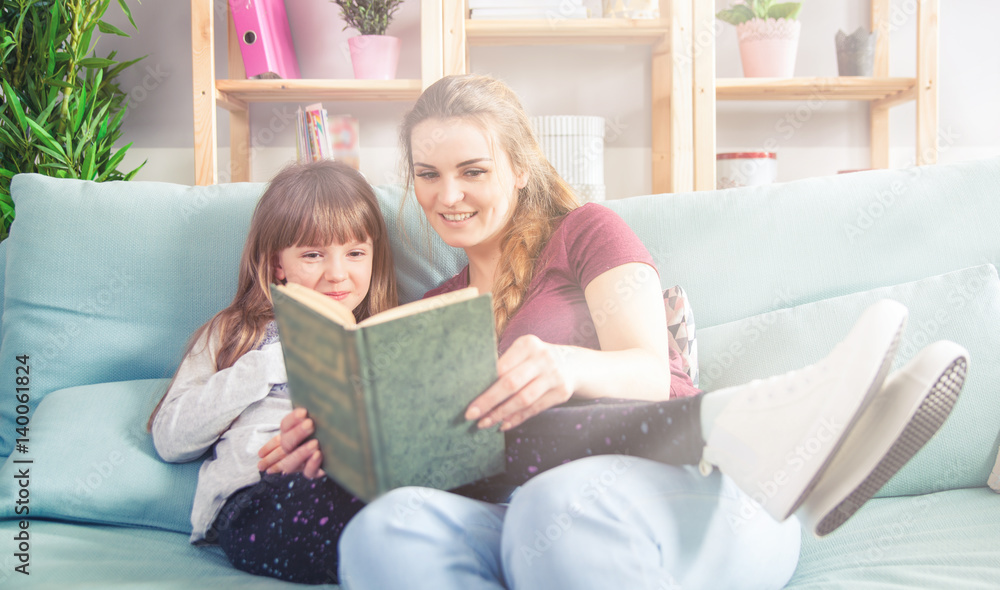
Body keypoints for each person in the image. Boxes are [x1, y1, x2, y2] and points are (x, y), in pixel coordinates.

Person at [264, 75, 969, 590]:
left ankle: (773, 432)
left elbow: (647, 369)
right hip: (515, 513)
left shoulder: (585, 233)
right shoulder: (437, 308)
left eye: (472, 171)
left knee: (561, 505)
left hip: (682, 500)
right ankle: (788, 422)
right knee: (389, 530)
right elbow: (441, 467)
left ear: (518, 168)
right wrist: (339, 439)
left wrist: (567, 366)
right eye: (428, 175)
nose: (448, 196)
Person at [147, 160, 397, 585]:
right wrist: (271, 361)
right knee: (337, 518)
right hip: (257, 497)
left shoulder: (387, 336)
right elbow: (172, 438)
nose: (337, 273)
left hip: (362, 489)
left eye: (355, 253)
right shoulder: (236, 333)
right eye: (314, 254)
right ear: (278, 264)